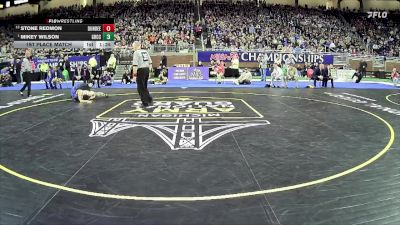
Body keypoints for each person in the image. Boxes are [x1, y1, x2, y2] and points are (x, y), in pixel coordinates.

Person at [132, 41, 153, 107]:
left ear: (136, 46)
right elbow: (150, 62)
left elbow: (135, 65)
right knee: (145, 86)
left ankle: (145, 101)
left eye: (133, 46)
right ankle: (148, 99)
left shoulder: (136, 53)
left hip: (140, 70)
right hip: (146, 69)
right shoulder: (145, 51)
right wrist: (149, 71)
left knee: (140, 87)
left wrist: (134, 76)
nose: (133, 48)